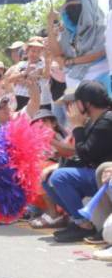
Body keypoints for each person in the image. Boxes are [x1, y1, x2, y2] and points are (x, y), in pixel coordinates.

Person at [44, 80, 112, 243]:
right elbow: (81, 155)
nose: (72, 106)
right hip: (95, 173)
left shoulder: (106, 120)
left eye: (76, 102)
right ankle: (78, 221)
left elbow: (86, 154)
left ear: (87, 103)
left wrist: (76, 127)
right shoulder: (93, 121)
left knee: (60, 177)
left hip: (105, 175)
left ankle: (84, 226)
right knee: (49, 179)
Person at [46, 0, 110, 94]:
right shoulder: (69, 34)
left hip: (102, 85)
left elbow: (99, 53)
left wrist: (69, 61)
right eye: (68, 9)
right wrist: (50, 23)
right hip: (75, 89)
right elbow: (57, 54)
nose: (71, 12)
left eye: (75, 7)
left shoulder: (103, 28)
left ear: (88, 7)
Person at [10, 37, 50, 111]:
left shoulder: (43, 65)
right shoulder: (21, 64)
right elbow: (11, 79)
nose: (35, 54)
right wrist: (25, 73)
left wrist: (21, 79)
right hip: (17, 98)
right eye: (33, 51)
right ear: (27, 51)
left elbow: (44, 76)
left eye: (38, 52)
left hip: (33, 99)